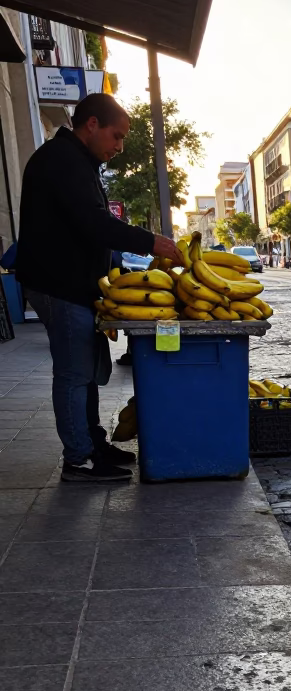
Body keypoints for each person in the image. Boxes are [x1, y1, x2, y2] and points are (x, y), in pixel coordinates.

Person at [16, 92, 185, 482]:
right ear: (92, 124)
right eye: (117, 136)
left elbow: (88, 230)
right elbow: (94, 224)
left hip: (76, 287)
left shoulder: (79, 161)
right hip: (59, 285)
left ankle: (92, 443)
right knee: (75, 374)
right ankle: (79, 460)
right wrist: (152, 242)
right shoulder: (62, 160)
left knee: (88, 372)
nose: (119, 146)